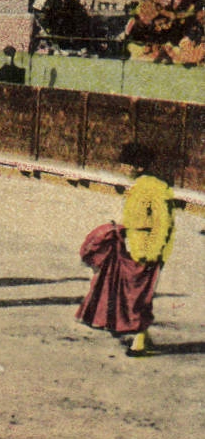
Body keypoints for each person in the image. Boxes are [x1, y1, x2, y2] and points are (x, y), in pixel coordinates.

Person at [76, 143, 176, 356]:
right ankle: (142, 336)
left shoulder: (156, 187)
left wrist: (153, 252)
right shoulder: (141, 185)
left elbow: (163, 223)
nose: (123, 168)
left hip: (147, 248)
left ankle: (139, 341)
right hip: (133, 245)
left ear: (138, 167)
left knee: (137, 295)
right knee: (136, 294)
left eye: (126, 164)